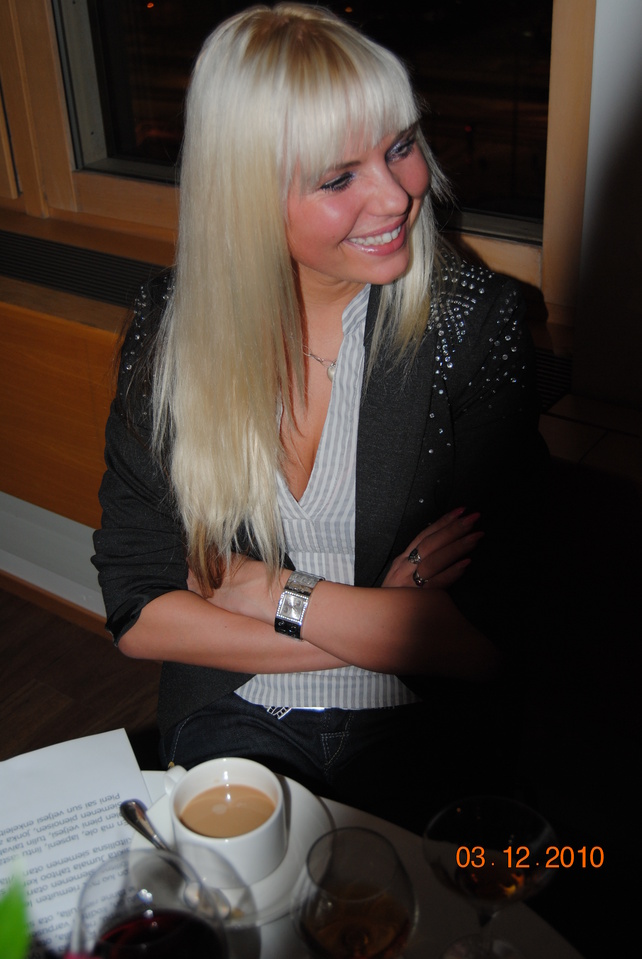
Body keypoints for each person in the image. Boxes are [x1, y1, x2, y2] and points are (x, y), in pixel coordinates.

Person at [92, 3, 547, 831]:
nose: (399, 194)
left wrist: (266, 590)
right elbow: (137, 609)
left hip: (417, 724)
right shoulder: (170, 330)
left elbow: (482, 643)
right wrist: (375, 615)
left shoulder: (474, 325)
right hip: (235, 712)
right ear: (245, 199)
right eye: (339, 179)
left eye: (401, 145)